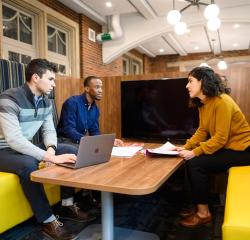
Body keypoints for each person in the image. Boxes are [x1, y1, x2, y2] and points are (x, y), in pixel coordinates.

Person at [0, 59, 95, 240]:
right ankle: (48, 221)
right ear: (36, 78)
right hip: (3, 149)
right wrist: (49, 157)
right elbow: (14, 140)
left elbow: (49, 130)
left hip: (21, 146)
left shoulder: (45, 102)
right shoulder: (8, 98)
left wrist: (51, 150)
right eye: (51, 79)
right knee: (28, 164)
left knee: (70, 149)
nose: (54, 84)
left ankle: (66, 204)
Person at [176, 66, 250, 228]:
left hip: (243, 150)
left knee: (196, 163)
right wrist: (185, 147)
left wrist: (194, 152)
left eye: (190, 81)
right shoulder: (204, 103)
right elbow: (203, 131)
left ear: (203, 82)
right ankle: (199, 205)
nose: (187, 86)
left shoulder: (222, 101)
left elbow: (220, 139)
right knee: (191, 161)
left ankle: (204, 214)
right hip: (230, 148)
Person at [57, 76, 123, 146]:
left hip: (80, 142)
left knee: (103, 150)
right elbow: (68, 130)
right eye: (97, 87)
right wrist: (88, 141)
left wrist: (108, 142)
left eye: (101, 87)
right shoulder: (72, 102)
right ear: (87, 89)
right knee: (91, 153)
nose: (101, 90)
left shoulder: (95, 109)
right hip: (64, 141)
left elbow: (94, 132)